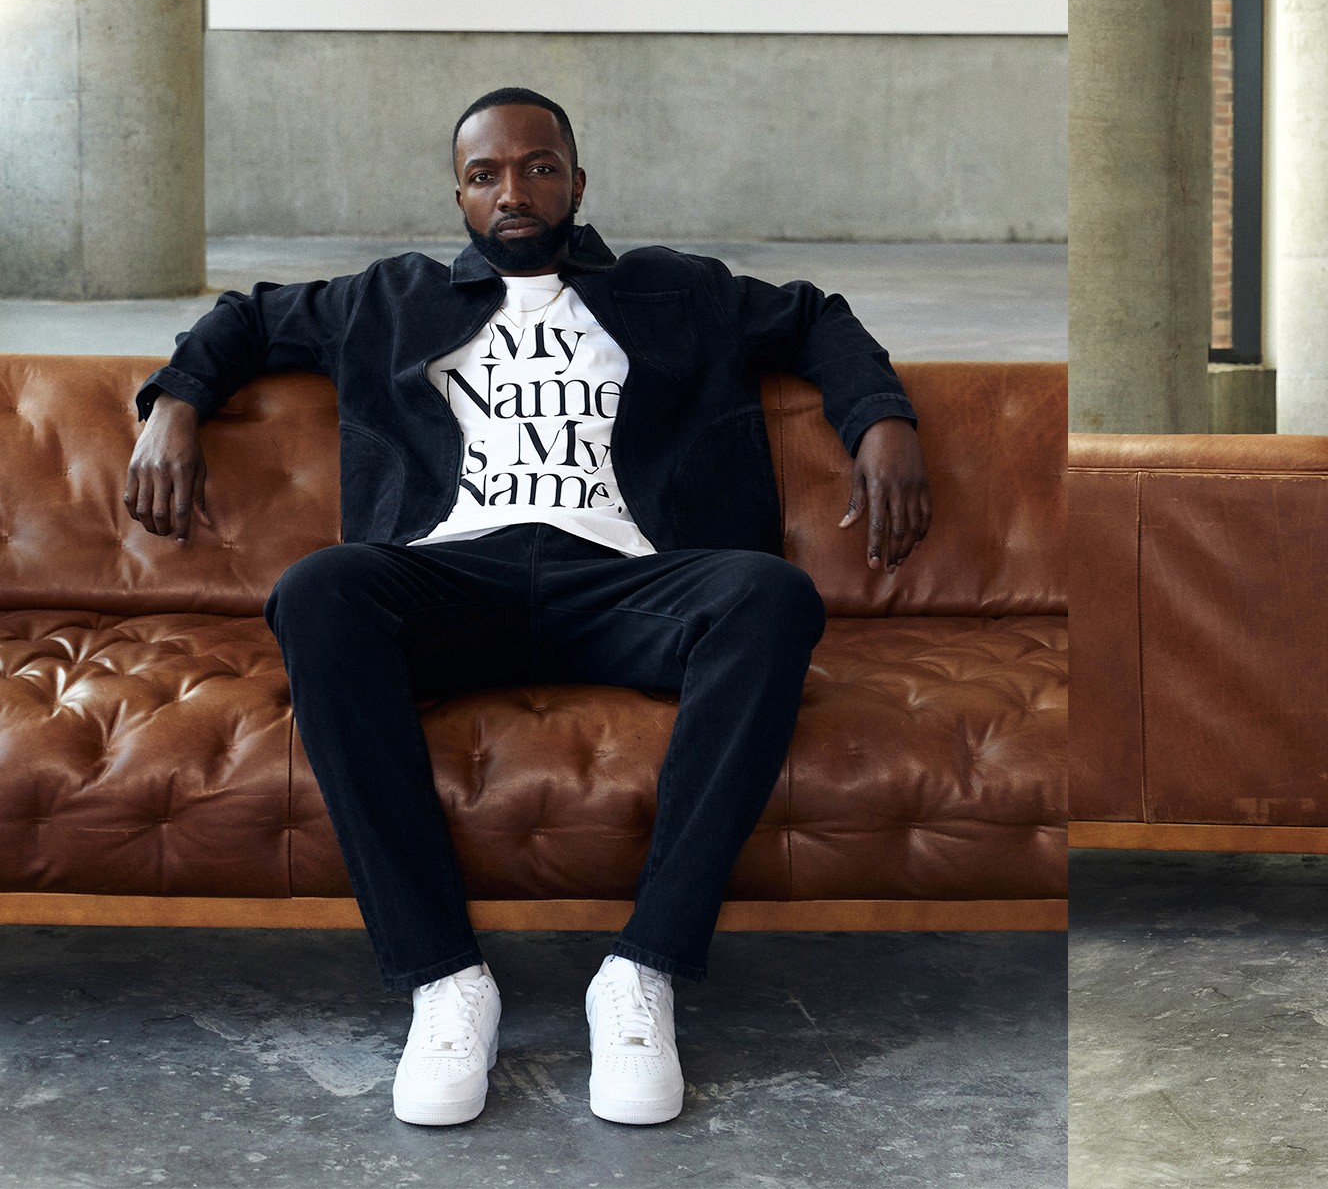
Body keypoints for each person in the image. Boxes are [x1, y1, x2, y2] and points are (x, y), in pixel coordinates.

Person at [123, 87, 932, 1129]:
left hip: (627, 580)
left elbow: (816, 317)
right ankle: (444, 981)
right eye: (485, 175)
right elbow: (244, 317)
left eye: (538, 168)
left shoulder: (672, 292)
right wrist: (175, 405)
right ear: (457, 193)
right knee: (320, 589)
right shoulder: (389, 299)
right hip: (453, 582)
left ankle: (641, 972)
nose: (514, 191)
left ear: (577, 183)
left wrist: (880, 422)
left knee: (767, 595)